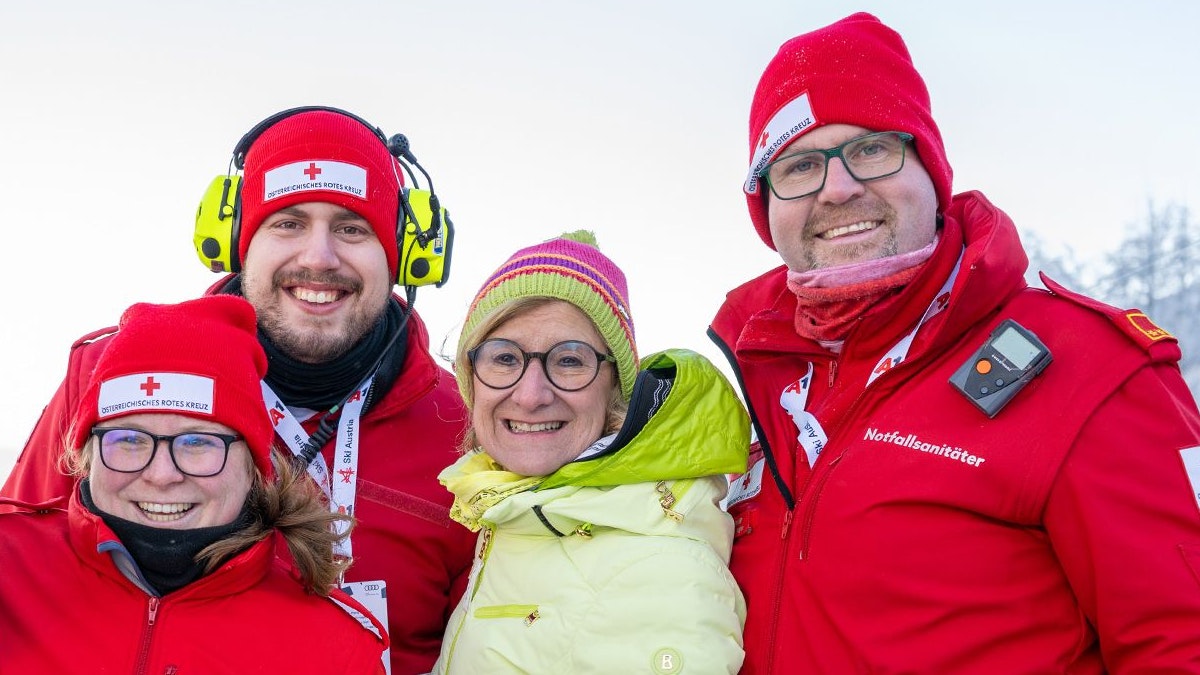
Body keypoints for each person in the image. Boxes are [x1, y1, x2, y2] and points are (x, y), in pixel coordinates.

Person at [710, 12, 1200, 673]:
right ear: (766, 206)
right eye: (798, 166)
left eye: (872, 148)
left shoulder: (1088, 368)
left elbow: (1181, 640)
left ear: (929, 168)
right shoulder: (747, 397)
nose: (839, 187)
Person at [1, 106, 474, 674]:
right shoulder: (111, 380)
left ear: (403, 249)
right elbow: (25, 569)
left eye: (353, 227)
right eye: (288, 223)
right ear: (233, 241)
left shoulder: (466, 426)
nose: (319, 258)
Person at [0, 296, 389, 672]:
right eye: (130, 440)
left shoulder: (337, 647)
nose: (161, 474)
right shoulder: (9, 575)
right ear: (86, 455)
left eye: (197, 442)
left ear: (255, 466)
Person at [430, 231, 748, 674]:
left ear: (616, 386)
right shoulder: (520, 508)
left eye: (569, 360)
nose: (531, 394)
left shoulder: (654, 569)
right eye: (504, 358)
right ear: (471, 379)